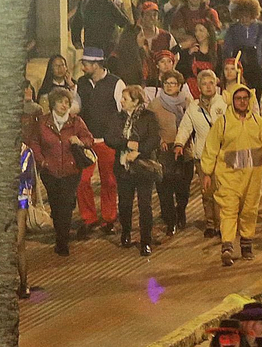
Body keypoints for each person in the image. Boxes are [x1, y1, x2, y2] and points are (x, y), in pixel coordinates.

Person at [201, 83, 262, 266]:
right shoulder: (223, 123)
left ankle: (246, 245)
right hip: (229, 176)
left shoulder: (259, 123)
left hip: (253, 176)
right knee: (228, 210)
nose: (242, 102)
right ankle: (227, 246)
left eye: (245, 98)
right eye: (238, 99)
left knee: (249, 210)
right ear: (232, 101)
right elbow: (211, 148)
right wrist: (206, 172)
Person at [26, 88, 95, 257]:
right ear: (53, 103)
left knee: (65, 205)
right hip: (50, 171)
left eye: (67, 102)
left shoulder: (76, 122)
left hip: (71, 170)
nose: (64, 105)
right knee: (56, 206)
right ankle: (60, 231)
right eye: (61, 102)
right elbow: (34, 142)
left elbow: (89, 139)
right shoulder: (42, 122)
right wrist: (43, 161)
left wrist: (79, 141)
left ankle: (62, 241)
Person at [75, 48, 124, 236]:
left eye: (85, 64)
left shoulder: (116, 83)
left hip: (108, 140)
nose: (82, 67)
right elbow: (76, 106)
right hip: (86, 141)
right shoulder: (81, 83)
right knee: (82, 180)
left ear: (95, 65)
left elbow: (122, 110)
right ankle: (89, 218)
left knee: (109, 181)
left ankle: (109, 218)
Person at [175, 70, 225, 237]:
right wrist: (179, 143)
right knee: (207, 192)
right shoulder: (193, 107)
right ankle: (210, 223)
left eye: (211, 83)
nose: (208, 87)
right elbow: (185, 127)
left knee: (221, 191)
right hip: (202, 156)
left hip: (222, 155)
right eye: (204, 84)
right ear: (199, 87)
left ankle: (222, 224)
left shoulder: (224, 103)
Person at [113, 85, 161, 257]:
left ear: (136, 101)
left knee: (145, 205)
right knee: (125, 204)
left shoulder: (149, 117)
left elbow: (154, 139)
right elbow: (110, 137)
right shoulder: (118, 117)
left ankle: (145, 241)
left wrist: (138, 150)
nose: (122, 101)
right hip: (123, 168)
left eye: (125, 99)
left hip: (143, 167)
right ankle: (126, 233)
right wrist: (126, 144)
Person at [148, 71, 192, 236]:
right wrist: (159, 140)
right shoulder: (155, 104)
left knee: (183, 187)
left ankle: (180, 210)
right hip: (164, 150)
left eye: (173, 83)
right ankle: (170, 219)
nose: (169, 86)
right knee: (165, 187)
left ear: (179, 85)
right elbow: (150, 127)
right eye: (167, 83)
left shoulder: (188, 103)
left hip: (184, 149)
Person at [222, 0, 262, 103]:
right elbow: (227, 49)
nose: (244, 18)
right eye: (241, 15)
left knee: (256, 95)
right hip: (239, 66)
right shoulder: (232, 29)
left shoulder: (261, 28)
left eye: (247, 14)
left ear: (253, 13)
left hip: (256, 66)